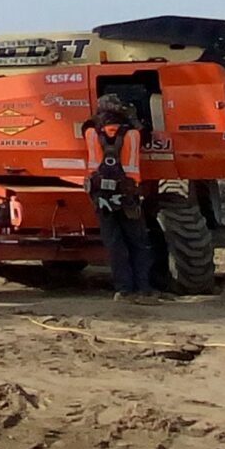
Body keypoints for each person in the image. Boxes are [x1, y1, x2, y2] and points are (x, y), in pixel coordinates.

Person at [83, 94, 156, 300]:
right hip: (128, 195)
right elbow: (148, 135)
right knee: (138, 243)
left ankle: (123, 289)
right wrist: (133, 118)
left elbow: (87, 124)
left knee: (114, 245)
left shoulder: (90, 133)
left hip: (101, 197)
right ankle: (143, 288)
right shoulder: (134, 134)